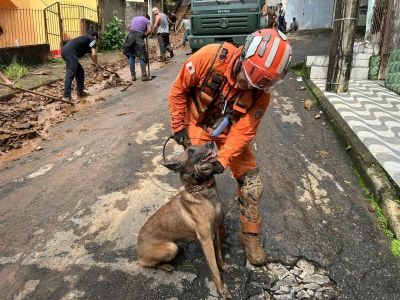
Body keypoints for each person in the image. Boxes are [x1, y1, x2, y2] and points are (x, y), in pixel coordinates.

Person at [168, 29, 292, 266]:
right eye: (247, 75)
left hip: (229, 133)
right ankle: (215, 229)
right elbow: (178, 90)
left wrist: (221, 160)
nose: (248, 85)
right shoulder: (209, 57)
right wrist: (178, 127)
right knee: (200, 180)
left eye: (256, 84)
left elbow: (244, 131)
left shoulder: (260, 95)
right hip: (197, 123)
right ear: (244, 53)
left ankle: (249, 236)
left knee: (252, 184)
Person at [61, 29, 100, 102]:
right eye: (96, 39)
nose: (96, 41)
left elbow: (91, 54)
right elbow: (94, 53)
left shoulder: (87, 40)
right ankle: (66, 96)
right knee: (71, 73)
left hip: (66, 51)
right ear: (95, 36)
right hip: (70, 53)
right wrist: (97, 63)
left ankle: (80, 92)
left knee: (80, 71)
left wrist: (96, 63)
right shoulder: (92, 39)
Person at [124, 14, 152, 81]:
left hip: (130, 36)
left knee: (131, 55)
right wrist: (144, 35)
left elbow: (130, 27)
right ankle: (144, 76)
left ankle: (133, 76)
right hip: (138, 36)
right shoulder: (147, 21)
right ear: (148, 18)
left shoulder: (134, 18)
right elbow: (149, 30)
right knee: (141, 56)